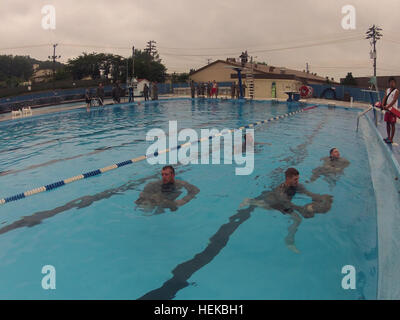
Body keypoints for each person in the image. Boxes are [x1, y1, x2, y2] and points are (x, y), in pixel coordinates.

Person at [240, 168, 333, 253]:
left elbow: (308, 193)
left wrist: (320, 198)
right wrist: (301, 209)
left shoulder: (297, 186)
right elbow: (287, 203)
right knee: (297, 219)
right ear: (288, 179)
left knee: (267, 207)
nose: (297, 181)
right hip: (277, 201)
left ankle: (249, 201)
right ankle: (289, 242)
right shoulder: (281, 190)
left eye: (298, 179)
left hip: (281, 202)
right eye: (295, 179)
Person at [135, 166, 200, 214]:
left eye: (166, 174)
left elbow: (196, 190)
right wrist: (143, 196)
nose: (164, 177)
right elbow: (144, 193)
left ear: (173, 175)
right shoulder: (153, 184)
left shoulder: (180, 183)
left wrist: (184, 200)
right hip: (159, 200)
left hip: (169, 199)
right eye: (162, 174)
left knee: (172, 206)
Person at [382, 77, 399, 144]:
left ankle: (391, 139)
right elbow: (385, 97)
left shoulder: (396, 91)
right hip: (387, 110)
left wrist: (388, 106)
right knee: (387, 123)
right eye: (391, 82)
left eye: (393, 82)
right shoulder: (387, 90)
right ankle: (388, 137)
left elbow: (394, 100)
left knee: (392, 124)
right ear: (389, 83)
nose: (392, 83)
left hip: (393, 110)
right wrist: (383, 105)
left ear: (395, 83)